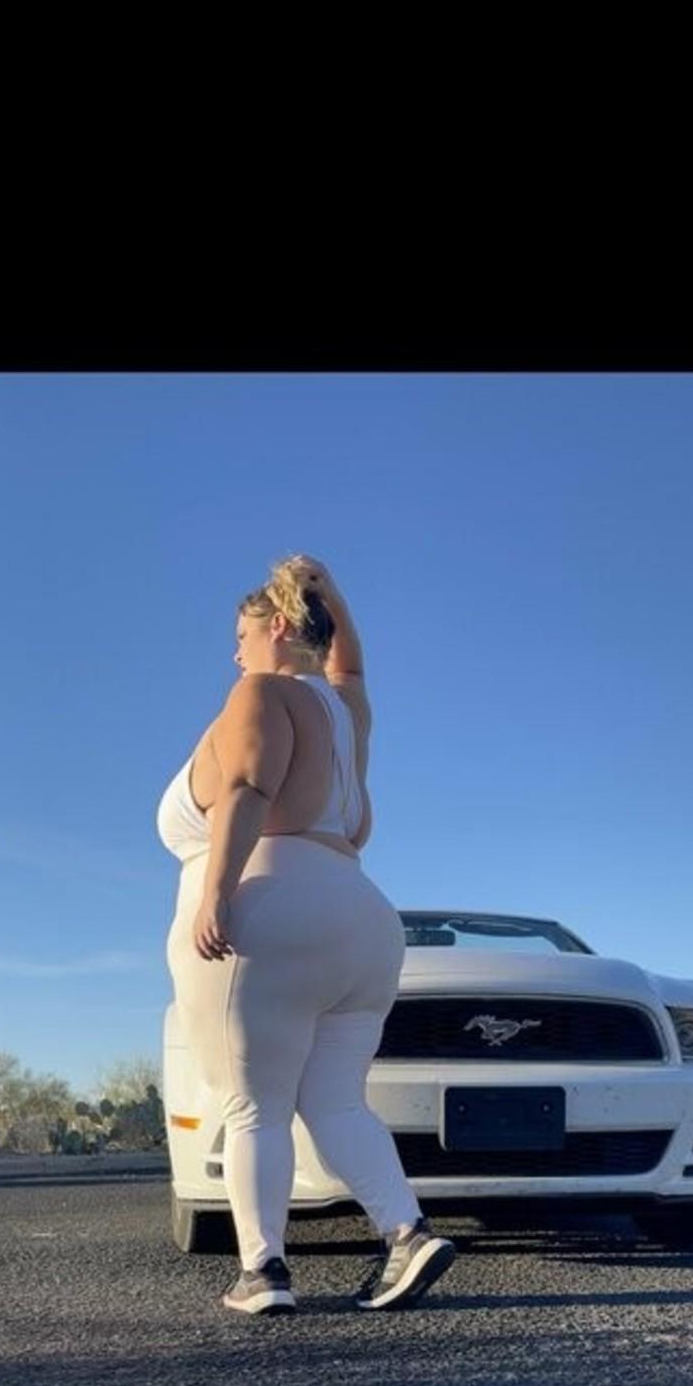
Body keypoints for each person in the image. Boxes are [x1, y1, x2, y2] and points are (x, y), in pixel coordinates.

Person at [156, 554, 455, 1316]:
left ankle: (262, 1271)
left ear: (280, 626)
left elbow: (248, 788)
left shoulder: (260, 693)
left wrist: (216, 895)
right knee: (336, 1101)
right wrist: (336, 598)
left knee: (253, 1105)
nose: (236, 653)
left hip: (273, 910)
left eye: (242, 635)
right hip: (362, 919)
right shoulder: (344, 714)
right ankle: (408, 1232)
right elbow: (350, 668)